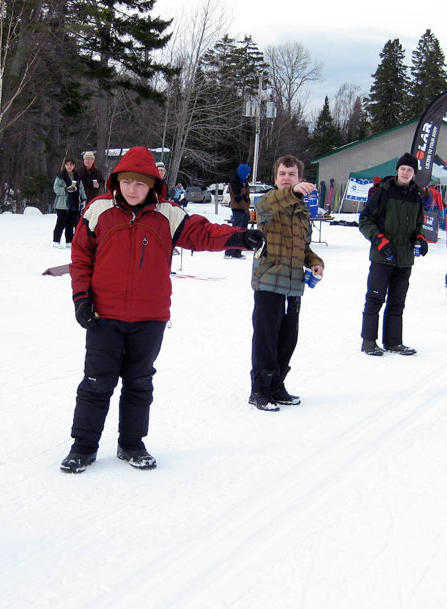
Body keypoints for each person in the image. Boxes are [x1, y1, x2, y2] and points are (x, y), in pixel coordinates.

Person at [61, 147, 265, 473]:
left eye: (140, 184)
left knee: (139, 383)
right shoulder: (98, 210)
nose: (132, 189)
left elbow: (203, 233)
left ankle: (131, 444)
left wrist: (240, 237)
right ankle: (83, 447)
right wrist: (81, 298)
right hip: (104, 315)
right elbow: (81, 259)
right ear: (117, 182)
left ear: (152, 185)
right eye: (126, 182)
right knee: (96, 383)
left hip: (150, 317)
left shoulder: (168, 215)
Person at [249, 155, 324, 411]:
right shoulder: (268, 203)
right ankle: (260, 389)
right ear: (275, 178)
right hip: (269, 280)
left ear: (300, 178)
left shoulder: (303, 212)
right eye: (282, 174)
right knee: (265, 337)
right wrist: (291, 192)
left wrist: (316, 263)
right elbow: (269, 203)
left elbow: (304, 248)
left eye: (291, 174)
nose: (286, 178)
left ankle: (277, 385)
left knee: (288, 337)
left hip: (293, 285)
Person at [357, 152, 428, 356]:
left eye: (409, 170)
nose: (405, 173)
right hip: (382, 256)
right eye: (402, 169)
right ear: (397, 170)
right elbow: (365, 220)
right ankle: (368, 341)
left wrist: (420, 238)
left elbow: (418, 224)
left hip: (404, 258)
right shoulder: (383, 192)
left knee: (397, 301)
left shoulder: (416, 196)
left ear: (414, 174)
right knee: (375, 298)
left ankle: (394, 342)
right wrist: (379, 240)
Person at [51, 158, 86, 247]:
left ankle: (69, 242)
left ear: (74, 166)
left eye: (71, 165)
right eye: (67, 164)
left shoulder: (77, 176)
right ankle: (56, 240)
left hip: (74, 203)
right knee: (61, 222)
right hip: (62, 204)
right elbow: (56, 188)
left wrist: (83, 199)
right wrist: (66, 190)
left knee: (71, 223)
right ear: (65, 166)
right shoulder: (60, 176)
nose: (69, 166)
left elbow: (81, 189)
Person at [226, 163, 252, 259]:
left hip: (245, 208)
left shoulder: (245, 181)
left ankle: (237, 251)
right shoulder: (234, 182)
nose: (248, 175)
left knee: (243, 230)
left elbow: (246, 191)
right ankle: (229, 251)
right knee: (236, 230)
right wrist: (244, 190)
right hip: (237, 208)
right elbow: (237, 193)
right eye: (247, 173)